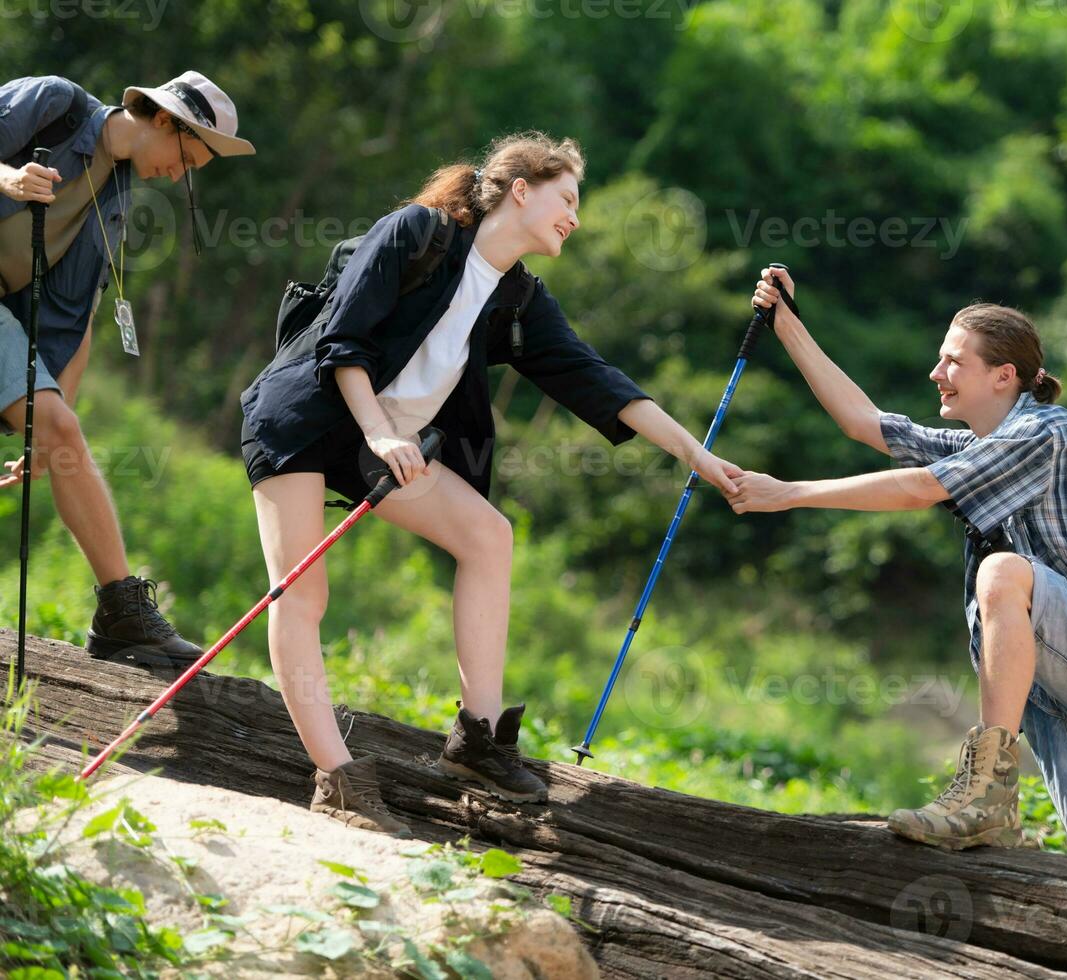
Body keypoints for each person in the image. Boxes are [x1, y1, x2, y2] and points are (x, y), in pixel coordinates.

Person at [239, 132, 744, 836]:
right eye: (567, 197)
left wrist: (697, 455)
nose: (576, 216)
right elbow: (342, 342)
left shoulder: (518, 301)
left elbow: (597, 381)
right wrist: (381, 431)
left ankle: (476, 740)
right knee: (303, 591)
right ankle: (340, 781)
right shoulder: (419, 232)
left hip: (384, 446)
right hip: (307, 415)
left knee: (488, 535)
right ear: (520, 189)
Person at [728, 267, 1067, 868]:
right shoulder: (980, 445)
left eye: (953, 362)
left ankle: (986, 793)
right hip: (1060, 680)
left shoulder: (1050, 431)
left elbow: (920, 488)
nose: (936, 374)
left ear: (1004, 376)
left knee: (1002, 573)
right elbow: (863, 423)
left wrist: (785, 493)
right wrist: (785, 322)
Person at [0, 71, 255, 668]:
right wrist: (7, 178)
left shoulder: (116, 203)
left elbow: (77, 317)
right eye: (186, 156)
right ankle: (120, 614)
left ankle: (120, 614)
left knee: (63, 433)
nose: (180, 172)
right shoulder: (53, 103)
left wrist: (50, 421)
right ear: (164, 119)